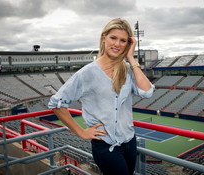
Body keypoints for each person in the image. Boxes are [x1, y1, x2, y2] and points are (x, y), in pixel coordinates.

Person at [48, 18, 155, 175]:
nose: (117, 44)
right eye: (113, 38)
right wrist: (81, 132)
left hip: (130, 142)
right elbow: (56, 103)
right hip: (106, 146)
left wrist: (131, 58)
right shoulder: (87, 73)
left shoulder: (127, 69)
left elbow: (147, 92)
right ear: (103, 38)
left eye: (123, 40)